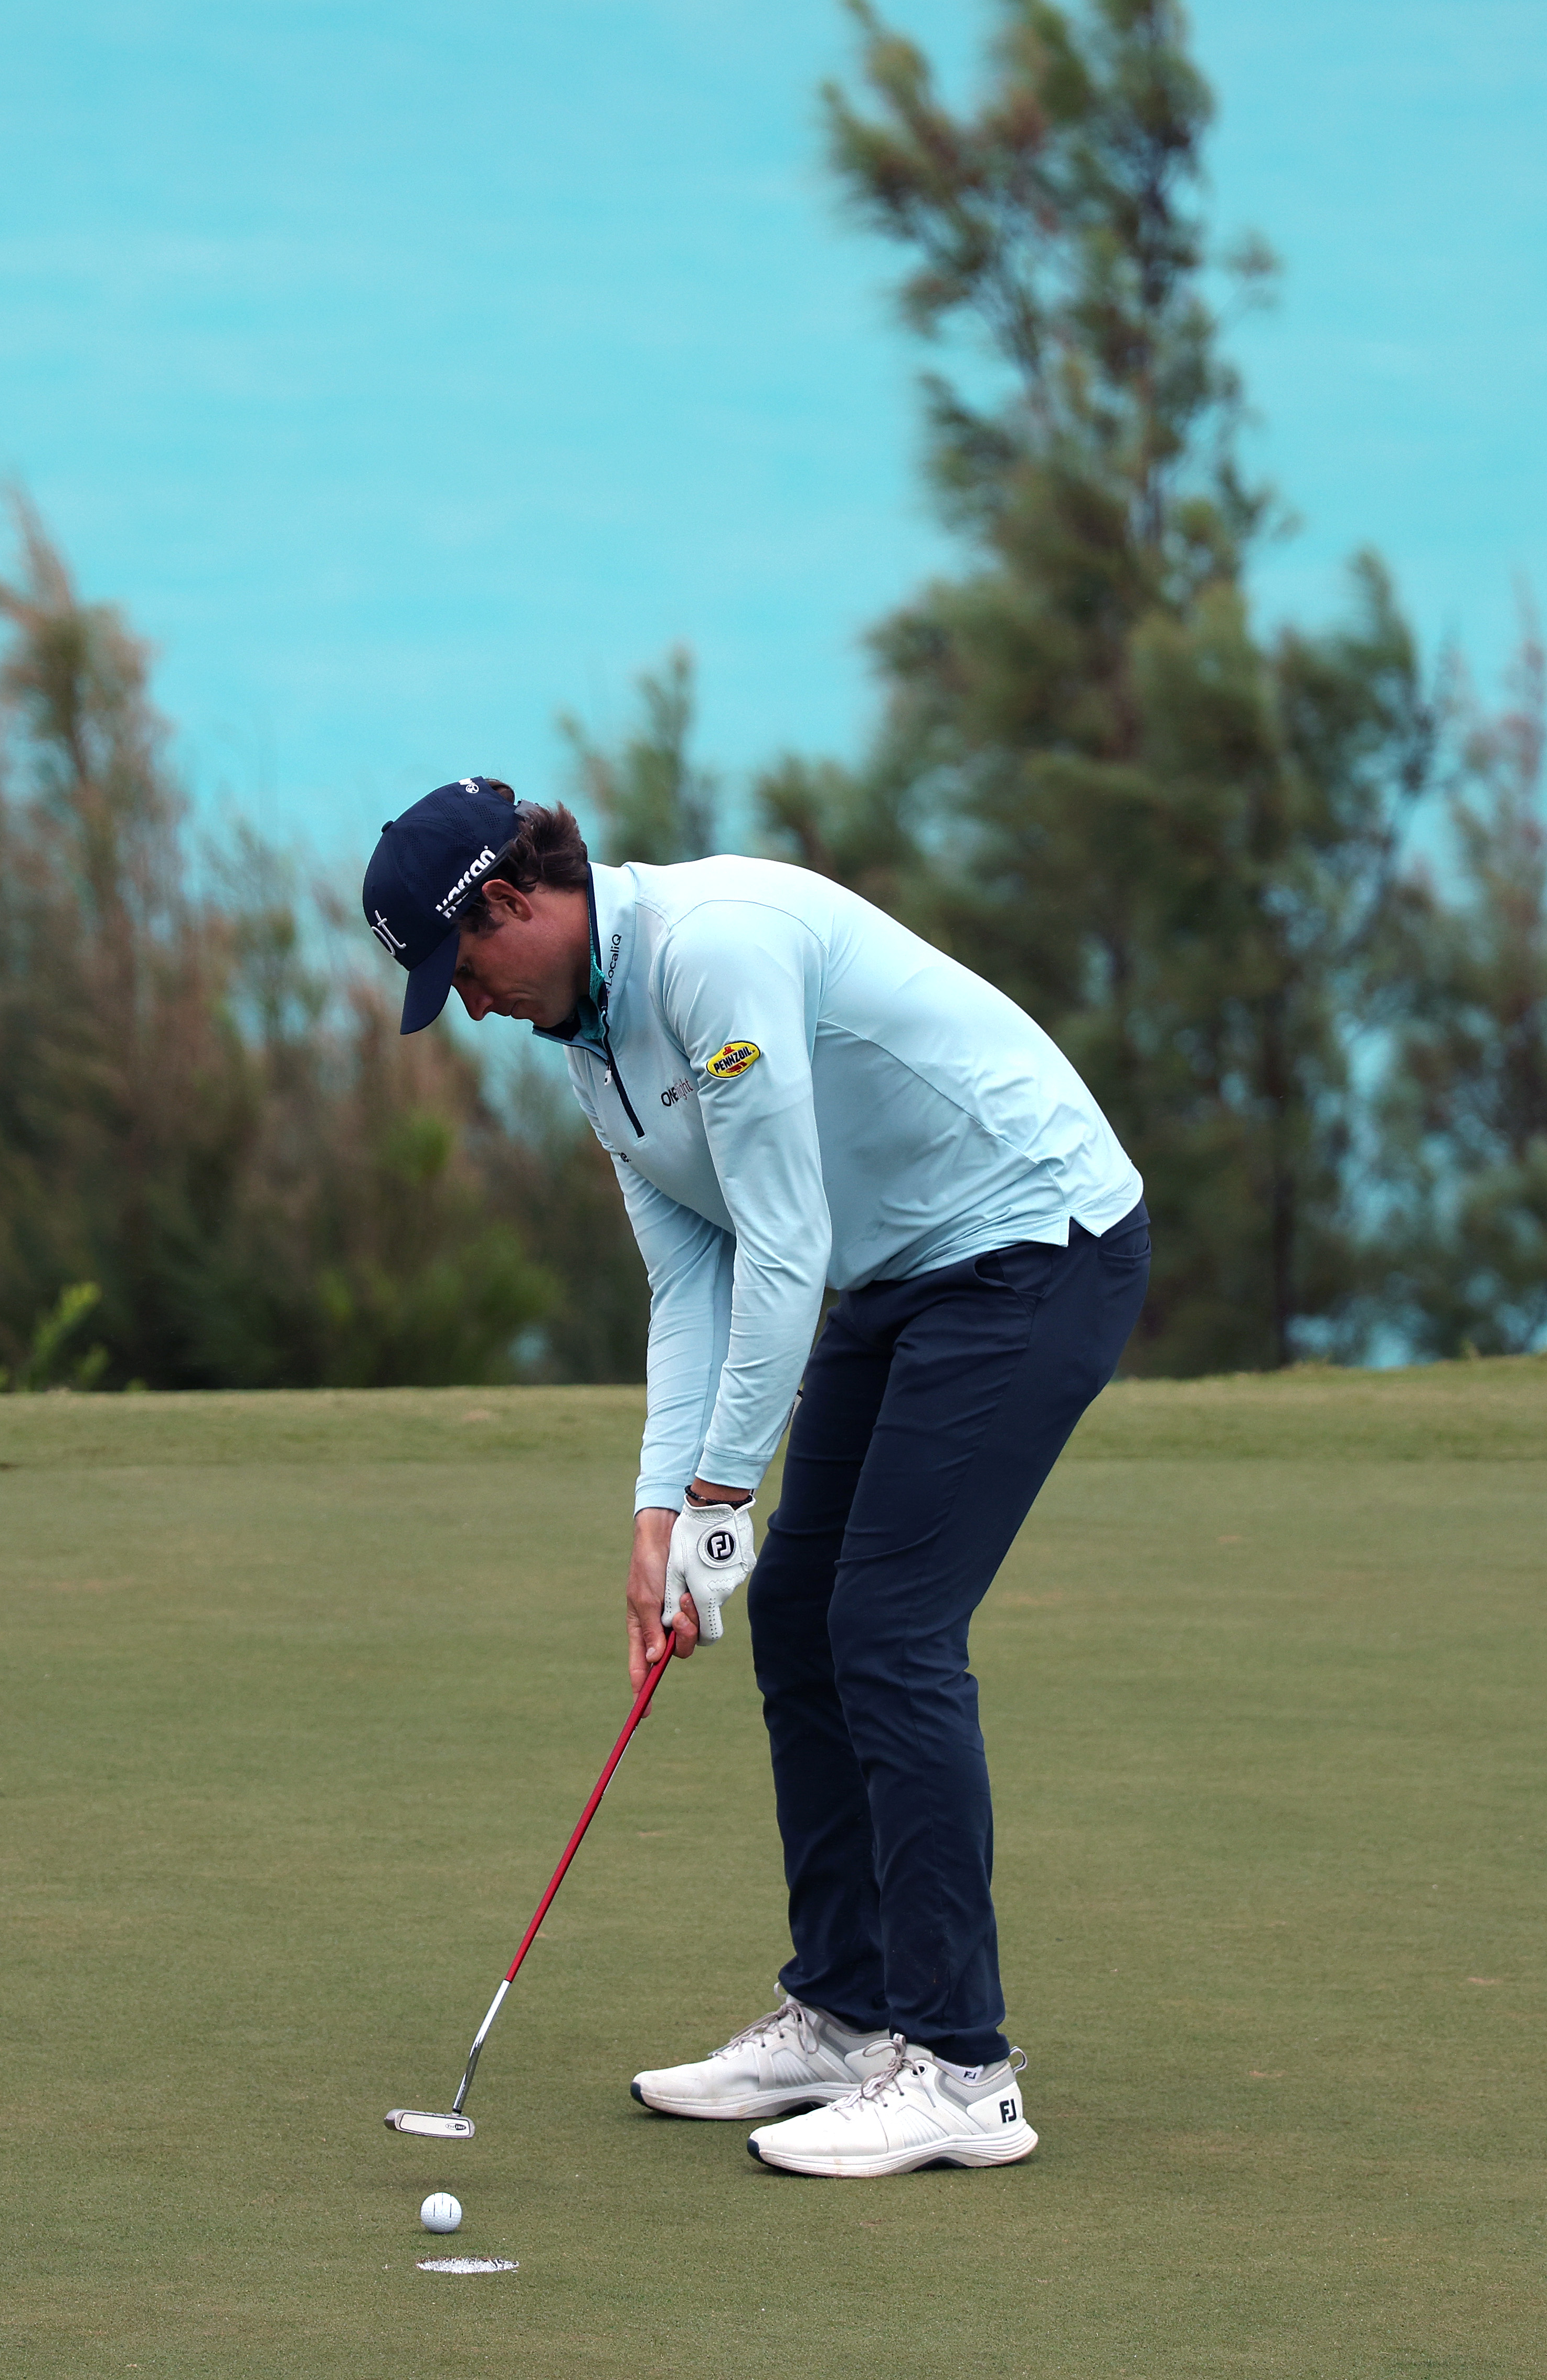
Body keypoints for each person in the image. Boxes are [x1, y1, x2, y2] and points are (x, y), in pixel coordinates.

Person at [363, 777, 1149, 2177]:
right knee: (796, 1613)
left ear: (510, 903)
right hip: (909, 1269)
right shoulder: (593, 1044)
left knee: (891, 1630)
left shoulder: (708, 946)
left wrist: (726, 1497)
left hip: (1038, 1239)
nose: (468, 1003)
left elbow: (784, 1246)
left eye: (463, 967)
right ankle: (849, 2013)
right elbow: (694, 1281)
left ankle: (962, 2071)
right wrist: (662, 1515)